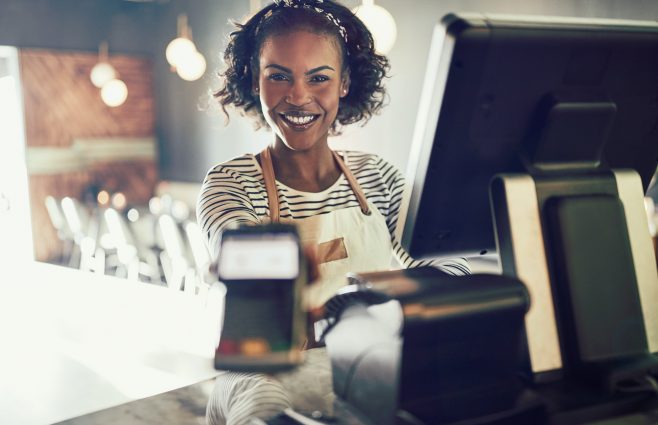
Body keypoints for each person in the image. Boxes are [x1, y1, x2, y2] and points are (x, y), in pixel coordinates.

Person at [197, 1, 470, 424]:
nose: (299, 96)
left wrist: (363, 302)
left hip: (370, 362)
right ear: (255, 81)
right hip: (266, 371)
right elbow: (236, 243)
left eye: (319, 78)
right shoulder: (230, 183)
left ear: (343, 83)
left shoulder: (378, 177)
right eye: (279, 76)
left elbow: (451, 268)